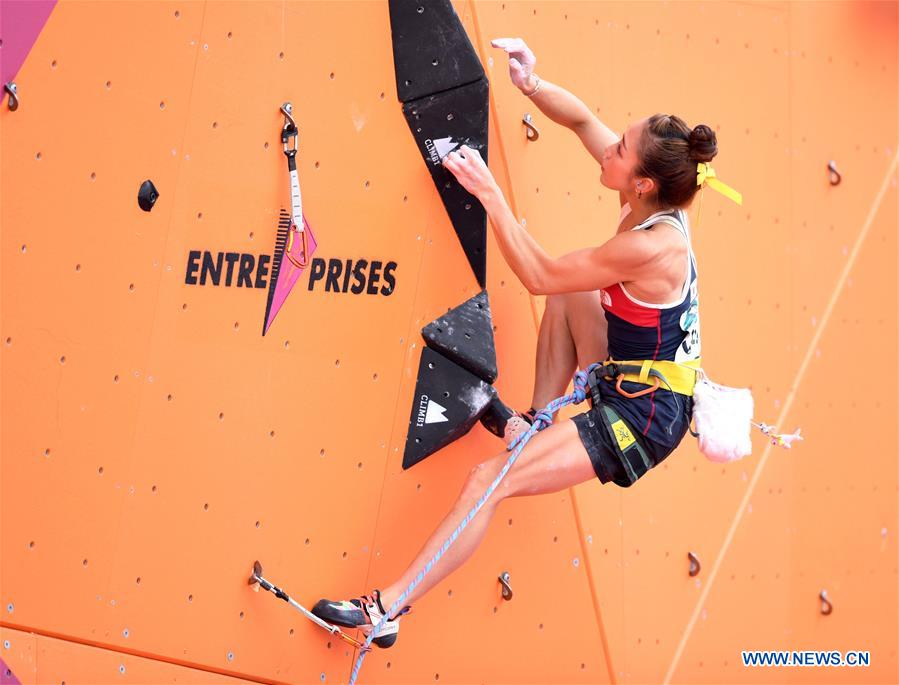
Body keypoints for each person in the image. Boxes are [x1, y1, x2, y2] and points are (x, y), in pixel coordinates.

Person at [311, 36, 741, 649]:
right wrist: (531, 84)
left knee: (489, 480)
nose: (608, 146)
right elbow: (582, 119)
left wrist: (490, 194)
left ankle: (387, 610)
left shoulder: (650, 247)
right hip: (630, 371)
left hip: (642, 416)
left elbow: (536, 274)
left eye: (621, 148)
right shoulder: (649, 197)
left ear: (642, 184)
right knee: (574, 290)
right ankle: (536, 423)